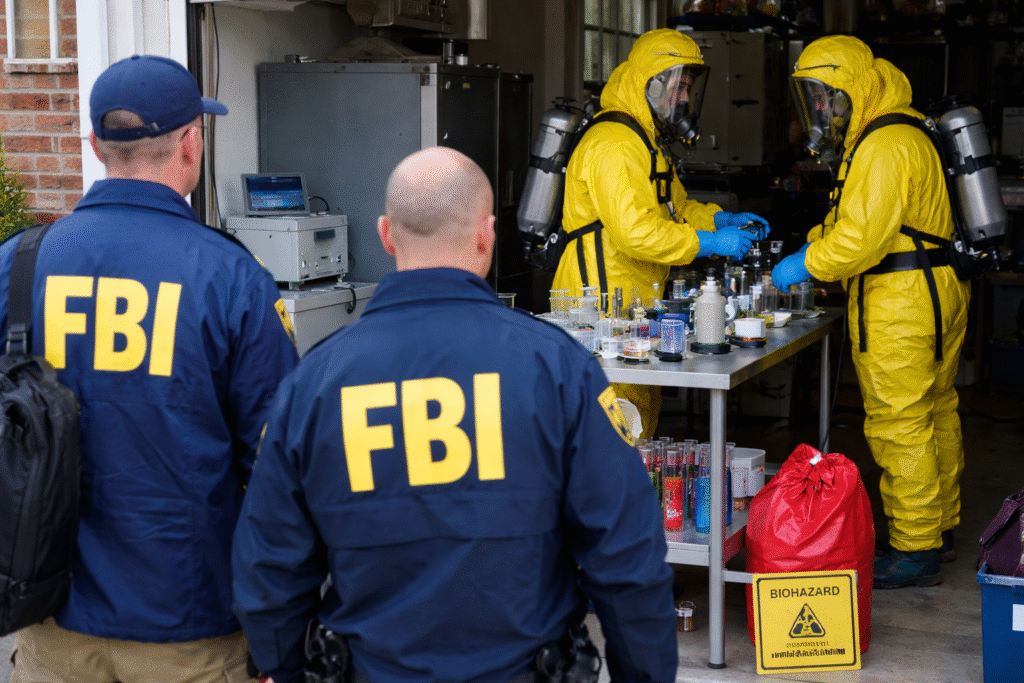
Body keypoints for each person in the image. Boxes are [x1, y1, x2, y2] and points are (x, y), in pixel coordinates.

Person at [232, 146, 678, 683]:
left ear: (386, 235)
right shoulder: (560, 370)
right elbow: (627, 559)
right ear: (488, 236)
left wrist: (284, 668)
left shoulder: (315, 384)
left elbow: (269, 568)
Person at [1, 54, 299, 681]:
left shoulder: (20, 264)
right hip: (187, 626)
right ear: (191, 144)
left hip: (50, 620)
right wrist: (280, 629)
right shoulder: (231, 277)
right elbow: (276, 468)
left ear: (93, 144)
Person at [772, 35, 970, 589]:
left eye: (824, 96)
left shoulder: (882, 145)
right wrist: (815, 242)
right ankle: (938, 526)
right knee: (936, 412)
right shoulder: (901, 131)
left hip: (901, 301)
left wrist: (804, 264)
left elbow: (859, 240)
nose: (819, 110)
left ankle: (914, 548)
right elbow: (863, 222)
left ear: (852, 89)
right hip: (934, 288)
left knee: (899, 423)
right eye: (810, 97)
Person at [552, 27, 770, 438]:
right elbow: (636, 232)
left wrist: (719, 220)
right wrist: (708, 243)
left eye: (688, 88)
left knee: (640, 422)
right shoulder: (615, 144)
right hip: (600, 306)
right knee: (616, 429)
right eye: (680, 87)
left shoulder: (645, 143)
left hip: (631, 301)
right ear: (653, 85)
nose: (686, 99)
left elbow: (676, 208)